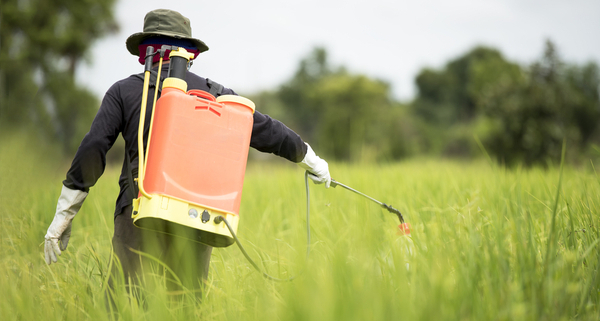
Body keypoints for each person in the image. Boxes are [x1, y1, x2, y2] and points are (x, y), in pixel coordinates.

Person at [43, 8, 330, 297]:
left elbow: (94, 147)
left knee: (123, 303)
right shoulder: (218, 95)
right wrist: (310, 159)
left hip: (139, 209)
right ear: (190, 54)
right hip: (197, 216)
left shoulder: (125, 91)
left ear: (145, 51)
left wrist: (65, 211)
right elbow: (267, 131)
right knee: (184, 307)